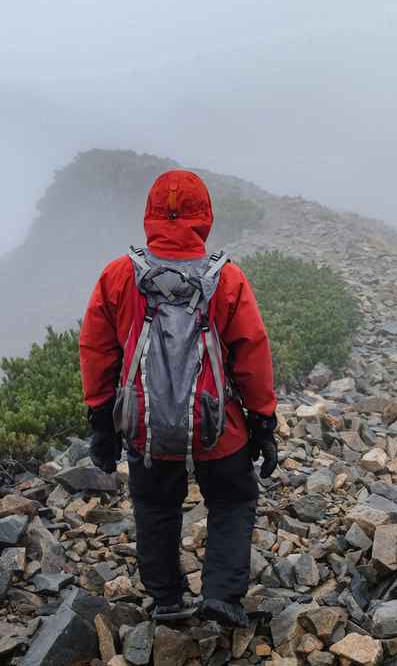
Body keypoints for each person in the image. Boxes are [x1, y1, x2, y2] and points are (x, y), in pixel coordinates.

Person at [79, 169, 278, 628]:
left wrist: (102, 421)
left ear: (150, 213)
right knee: (232, 499)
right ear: (205, 215)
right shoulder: (226, 278)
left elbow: (96, 349)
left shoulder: (119, 275)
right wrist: (262, 422)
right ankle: (221, 595)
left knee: (154, 506)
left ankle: (167, 599)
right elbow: (252, 352)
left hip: (146, 425)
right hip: (218, 425)